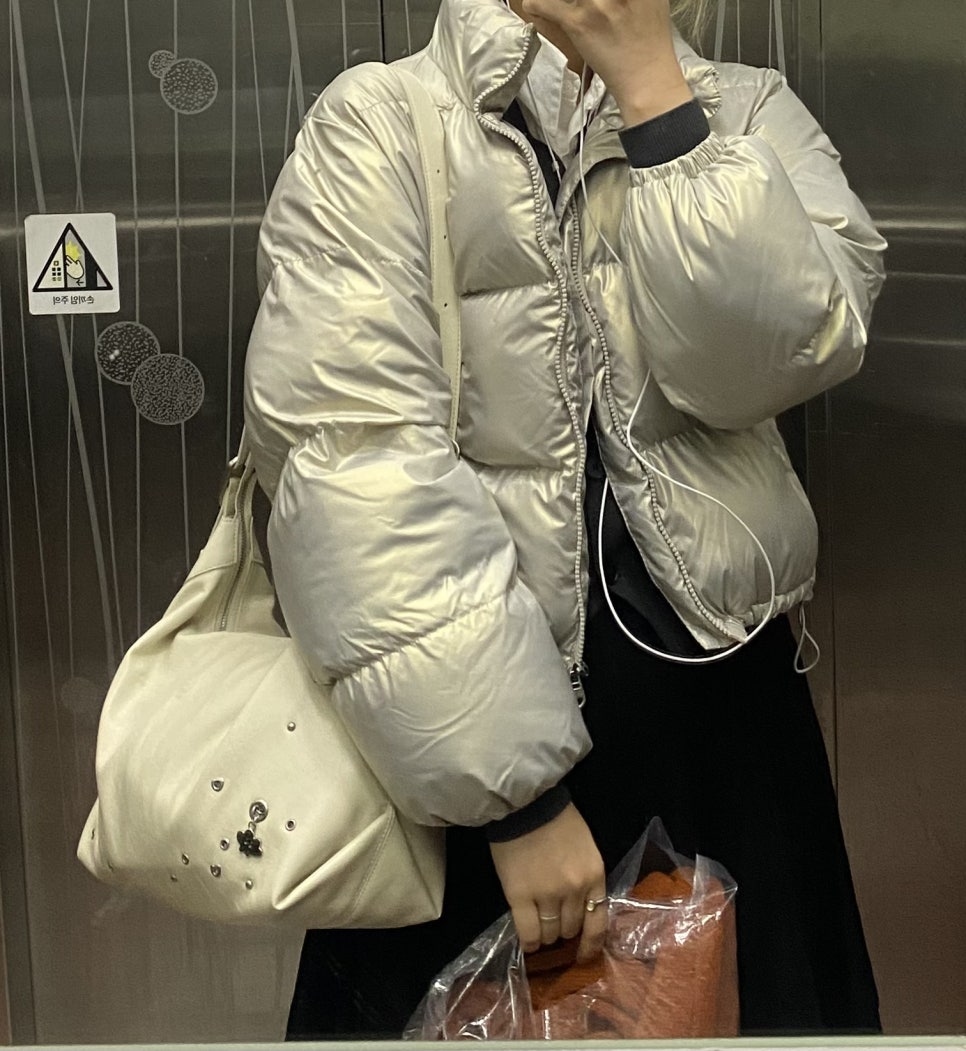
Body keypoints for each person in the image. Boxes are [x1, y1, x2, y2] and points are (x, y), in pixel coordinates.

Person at [243, 0, 886, 1037]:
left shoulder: (745, 112)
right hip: (460, 739)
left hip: (726, 730)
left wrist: (657, 102)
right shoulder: (381, 121)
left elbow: (768, 364)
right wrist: (515, 800)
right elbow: (353, 464)